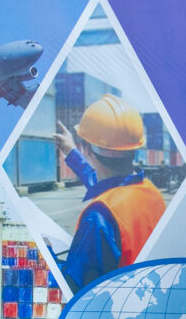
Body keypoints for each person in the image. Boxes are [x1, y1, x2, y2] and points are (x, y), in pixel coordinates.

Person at [52, 94, 166, 291]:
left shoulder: (98, 217)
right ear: (134, 149)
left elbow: (74, 287)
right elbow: (105, 185)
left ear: (87, 149)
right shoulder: (151, 193)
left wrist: (45, 256)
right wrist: (71, 152)